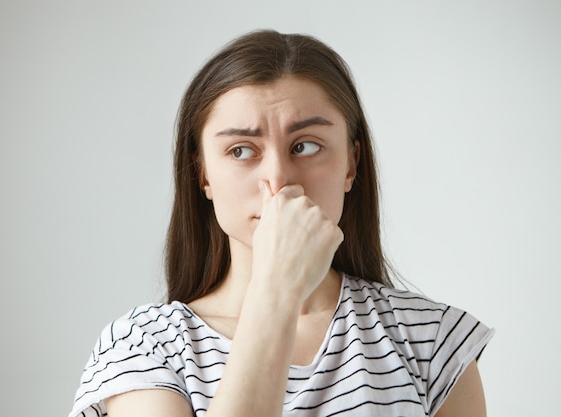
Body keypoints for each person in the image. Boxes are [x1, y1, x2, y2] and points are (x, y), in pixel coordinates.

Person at [69, 30, 494, 417]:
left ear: (352, 164)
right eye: (240, 151)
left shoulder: (433, 340)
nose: (278, 179)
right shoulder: (143, 345)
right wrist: (276, 289)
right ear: (203, 176)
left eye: (305, 146)